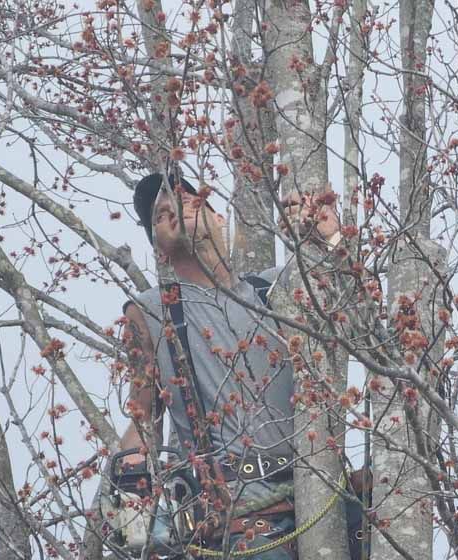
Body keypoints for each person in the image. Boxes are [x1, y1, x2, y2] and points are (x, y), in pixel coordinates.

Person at [117, 173, 346, 559]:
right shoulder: (152, 311)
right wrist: (128, 492)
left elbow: (362, 319)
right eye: (160, 215)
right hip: (243, 525)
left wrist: (332, 239)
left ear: (219, 217)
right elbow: (143, 424)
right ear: (159, 250)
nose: (173, 207)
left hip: (326, 504)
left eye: (185, 199)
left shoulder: (275, 289)